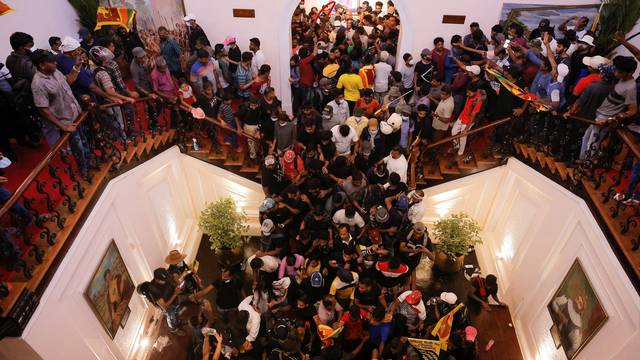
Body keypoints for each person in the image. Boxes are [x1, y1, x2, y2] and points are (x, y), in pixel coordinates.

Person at [30, 50, 92, 178]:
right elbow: (43, 109)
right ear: (42, 65)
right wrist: (63, 127)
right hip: (66, 121)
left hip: (77, 115)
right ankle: (84, 171)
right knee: (78, 148)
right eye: (52, 62)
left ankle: (90, 163)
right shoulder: (38, 84)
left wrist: (77, 67)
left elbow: (68, 81)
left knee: (85, 141)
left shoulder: (55, 71)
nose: (56, 63)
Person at [580, 56, 637, 160]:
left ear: (630, 73)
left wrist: (609, 119)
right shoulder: (621, 78)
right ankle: (582, 160)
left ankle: (585, 164)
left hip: (605, 117)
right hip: (601, 113)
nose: (616, 73)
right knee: (586, 138)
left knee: (592, 143)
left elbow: (632, 110)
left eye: (619, 72)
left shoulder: (630, 88)